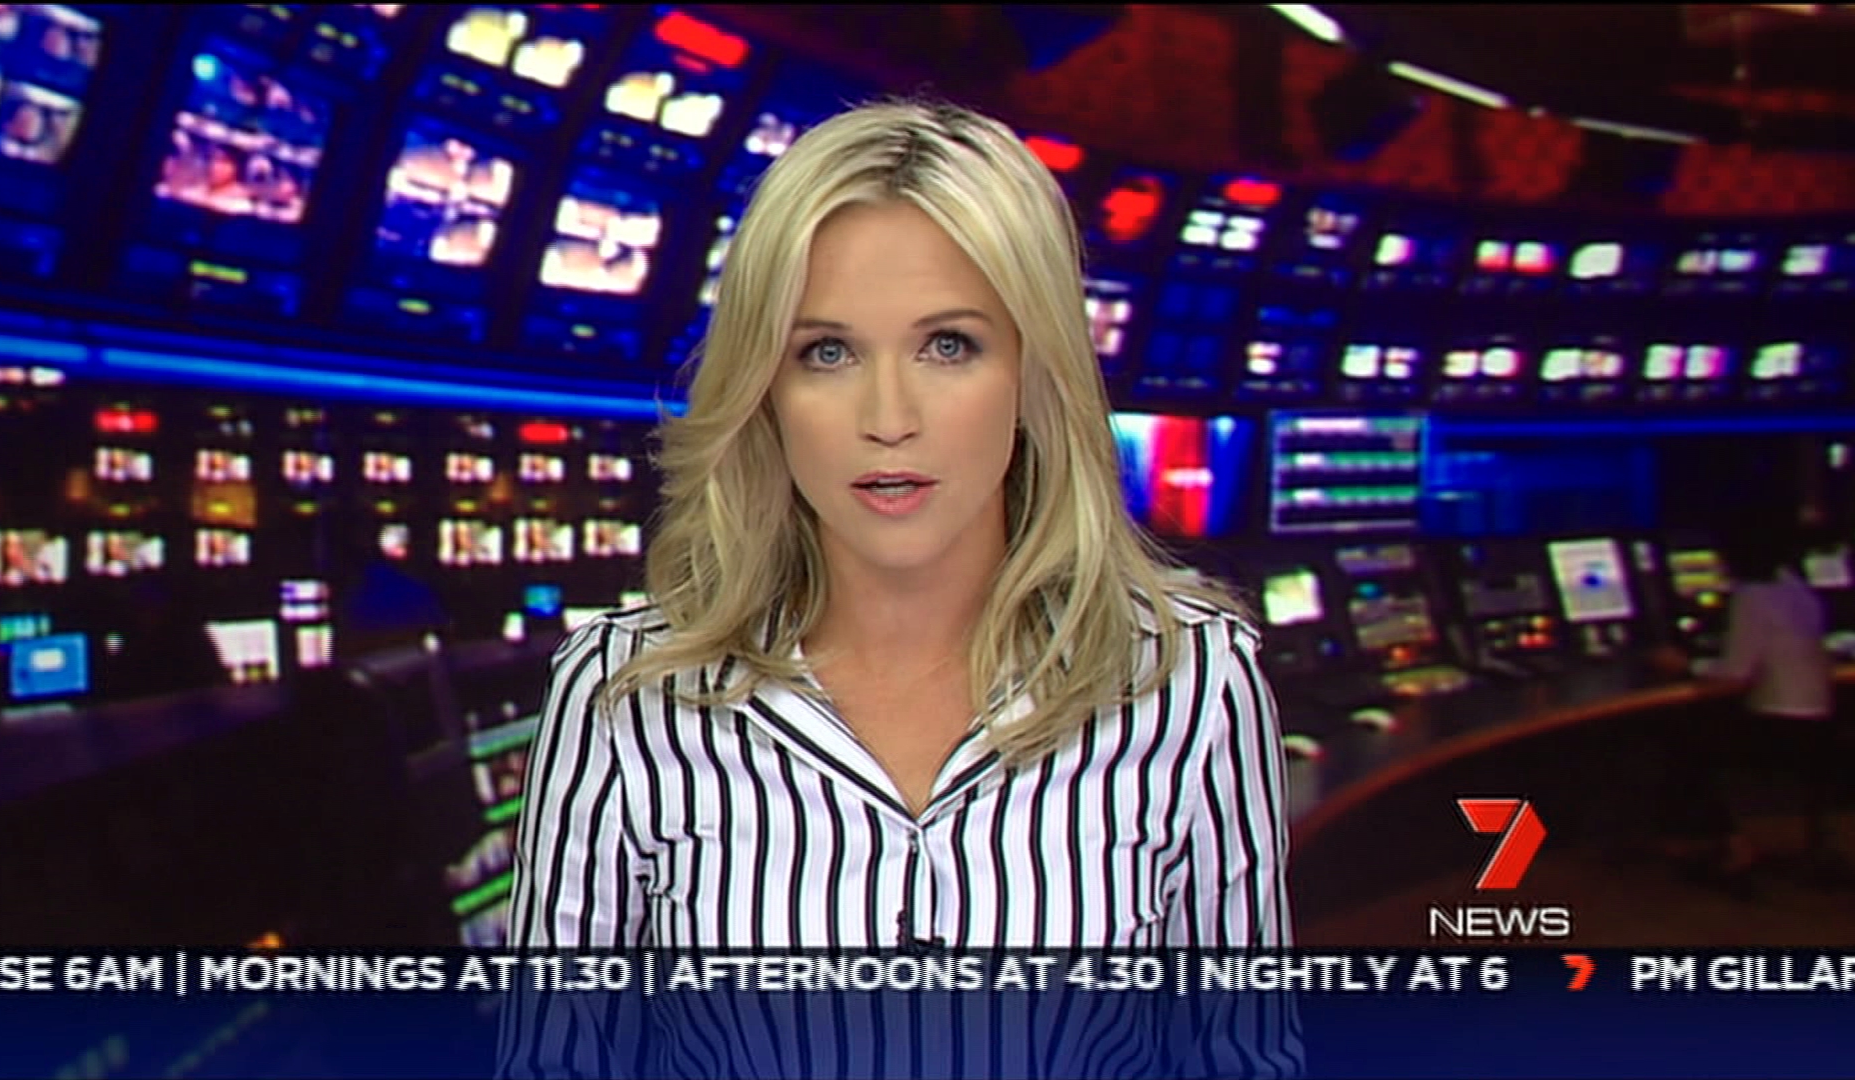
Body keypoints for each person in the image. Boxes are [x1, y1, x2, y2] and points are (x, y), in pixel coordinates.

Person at [502, 98, 1297, 1076]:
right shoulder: (623, 690)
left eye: (948, 345)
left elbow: (1242, 1056)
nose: (889, 417)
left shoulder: (1191, 679)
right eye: (827, 352)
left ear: (1033, 372)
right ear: (765, 387)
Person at [1651, 520, 1843, 892]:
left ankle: (1730, 843)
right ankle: (1708, 839)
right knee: (1698, 734)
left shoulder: (1752, 597)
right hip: (1819, 728)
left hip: (1783, 730)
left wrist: (1684, 667)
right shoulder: (1798, 588)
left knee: (1683, 743)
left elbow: (1735, 677)